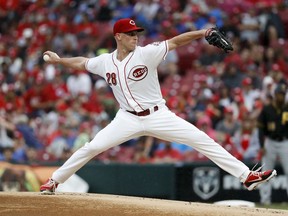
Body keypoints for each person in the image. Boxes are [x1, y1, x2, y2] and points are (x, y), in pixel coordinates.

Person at [40, 18, 276, 194]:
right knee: (92, 147)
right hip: (126, 119)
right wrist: (60, 60)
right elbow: (83, 62)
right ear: (118, 37)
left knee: (201, 139)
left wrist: (203, 32)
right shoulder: (104, 62)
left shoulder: (147, 54)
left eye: (136, 33)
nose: (135, 36)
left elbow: (175, 41)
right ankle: (54, 181)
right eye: (130, 33)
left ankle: (246, 176)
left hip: (158, 115)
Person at [257, 83, 288, 205]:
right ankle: (265, 200)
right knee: (266, 172)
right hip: (270, 142)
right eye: (280, 94)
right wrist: (261, 145)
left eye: (283, 94)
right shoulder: (267, 109)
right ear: (275, 94)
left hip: (285, 142)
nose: (281, 96)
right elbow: (260, 129)